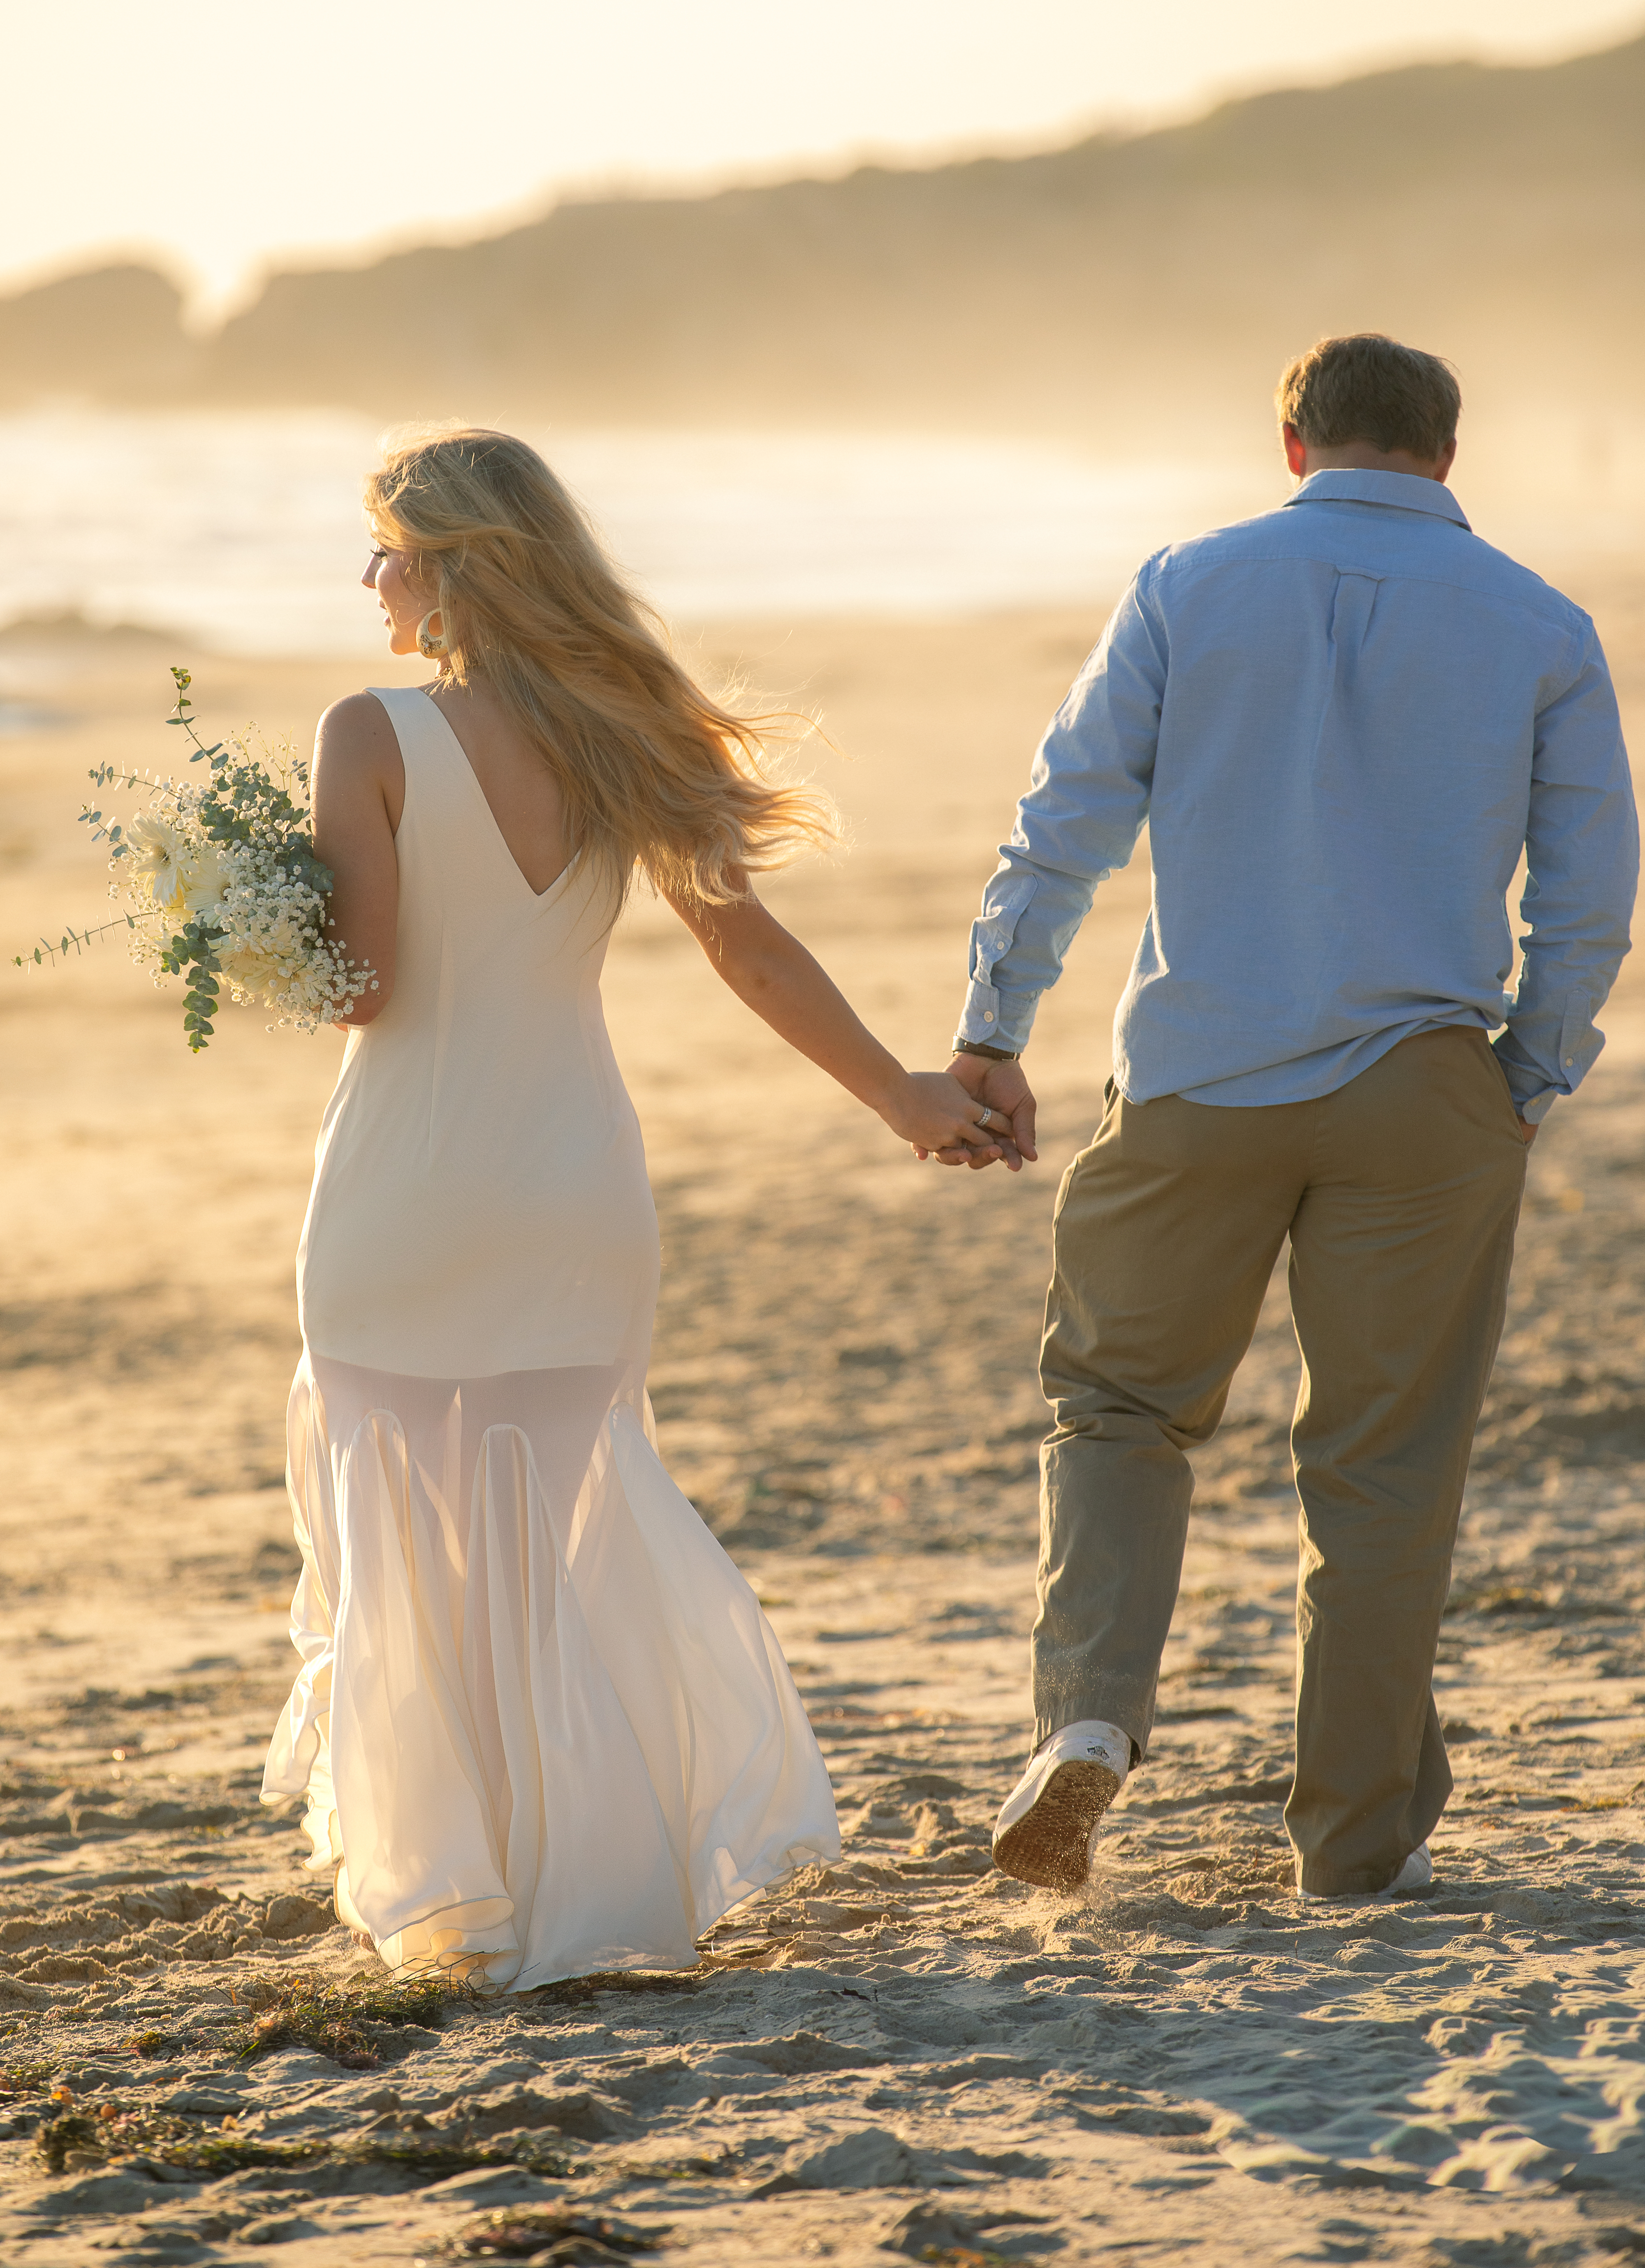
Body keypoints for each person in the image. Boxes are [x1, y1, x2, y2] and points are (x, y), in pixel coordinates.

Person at [260, 424, 1012, 1989]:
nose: (370, 575)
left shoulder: (369, 730)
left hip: (408, 1190)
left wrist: (256, 930)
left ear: (456, 564)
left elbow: (367, 990)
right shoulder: (618, 728)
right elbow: (749, 953)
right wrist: (905, 1099)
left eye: (387, 546)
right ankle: (603, 1887)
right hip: (570, 1184)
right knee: (560, 1521)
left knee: (410, 1534)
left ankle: (469, 1904)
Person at [942, 335, 1637, 1904]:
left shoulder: (1189, 583)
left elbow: (1061, 825)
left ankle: (1093, 1725)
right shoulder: (1541, 622)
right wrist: (1529, 1072)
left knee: (1119, 1409)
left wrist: (994, 1027)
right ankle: (1352, 1844)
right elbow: (1593, 893)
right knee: (1386, 1467)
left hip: (1196, 1070)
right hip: (1425, 1085)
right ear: (1448, 457)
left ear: (1291, 440)